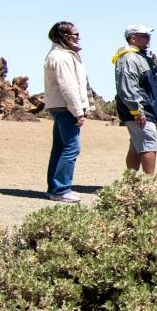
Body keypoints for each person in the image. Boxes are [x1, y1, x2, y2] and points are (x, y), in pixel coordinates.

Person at [40, 20, 88, 203]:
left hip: (61, 106)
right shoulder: (61, 57)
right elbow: (68, 86)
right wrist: (78, 111)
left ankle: (56, 187)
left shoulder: (63, 55)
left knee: (60, 148)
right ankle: (60, 189)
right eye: (75, 34)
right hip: (65, 107)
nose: (78, 37)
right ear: (64, 36)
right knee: (71, 147)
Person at [112, 25, 157, 175]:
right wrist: (137, 111)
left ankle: (131, 183)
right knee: (149, 145)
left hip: (143, 110)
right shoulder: (129, 58)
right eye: (145, 35)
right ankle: (149, 184)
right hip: (140, 111)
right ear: (133, 38)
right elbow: (127, 87)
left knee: (136, 145)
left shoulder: (139, 57)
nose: (149, 39)